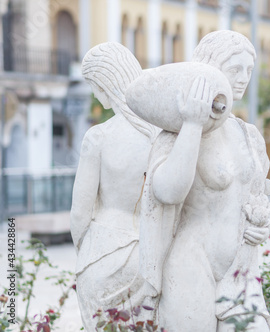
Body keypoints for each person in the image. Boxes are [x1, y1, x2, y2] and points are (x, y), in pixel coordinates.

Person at [137, 31, 270, 331]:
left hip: (241, 270)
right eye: (235, 68)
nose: (243, 78)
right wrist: (192, 124)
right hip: (191, 267)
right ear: (209, 69)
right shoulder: (177, 134)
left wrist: (262, 222)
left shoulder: (249, 136)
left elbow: (256, 199)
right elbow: (167, 192)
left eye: (249, 70)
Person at [70, 42, 159, 330]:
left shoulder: (99, 137)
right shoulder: (160, 137)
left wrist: (84, 249)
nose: (96, 95)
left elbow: (80, 214)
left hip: (102, 252)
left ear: (107, 83)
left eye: (95, 86)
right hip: (147, 255)